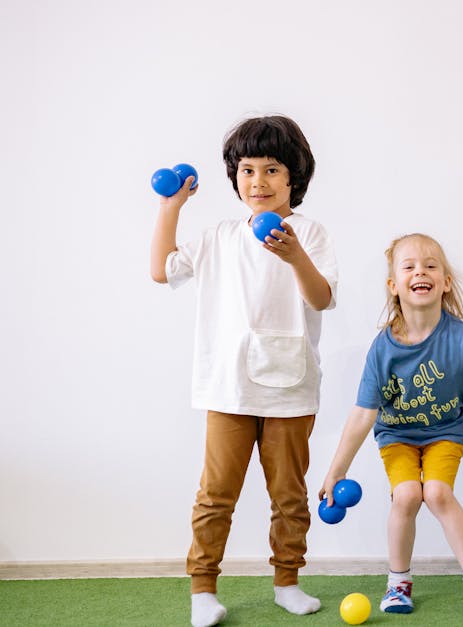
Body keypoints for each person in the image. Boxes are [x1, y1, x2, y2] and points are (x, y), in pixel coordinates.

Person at [149, 115, 336, 627]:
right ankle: (202, 590)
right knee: (216, 495)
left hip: (291, 388)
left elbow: (322, 298)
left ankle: (287, 583)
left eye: (272, 170)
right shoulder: (219, 236)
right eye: (247, 170)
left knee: (289, 495)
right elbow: (161, 269)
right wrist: (171, 206)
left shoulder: (309, 234)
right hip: (228, 389)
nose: (258, 181)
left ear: (294, 177)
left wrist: (295, 256)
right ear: (235, 176)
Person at [320, 233, 463, 615]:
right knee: (407, 495)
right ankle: (398, 584)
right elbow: (363, 414)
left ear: (445, 282)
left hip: (445, 433)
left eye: (430, 265)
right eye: (408, 266)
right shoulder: (383, 348)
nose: (420, 271)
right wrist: (335, 471)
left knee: (437, 493)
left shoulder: (462, 338)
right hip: (397, 436)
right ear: (394, 285)